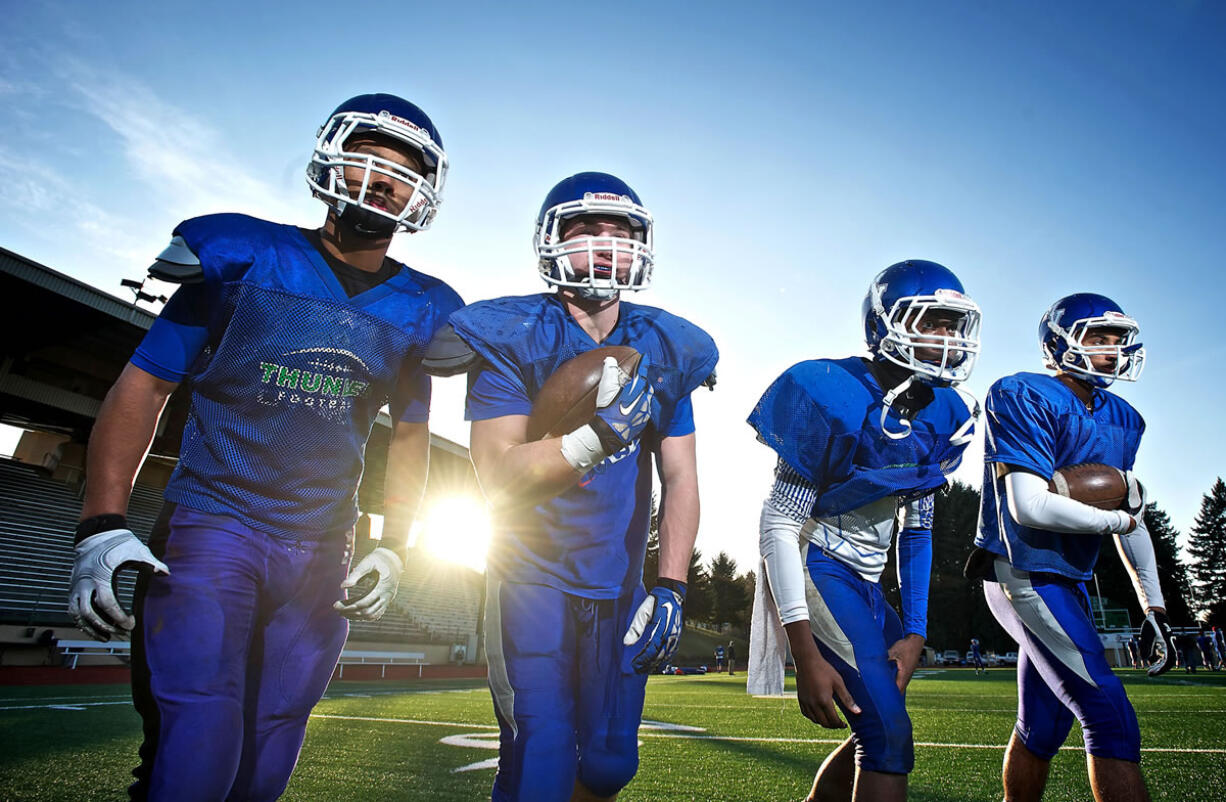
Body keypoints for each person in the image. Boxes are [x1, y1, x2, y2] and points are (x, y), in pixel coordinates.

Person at [65, 93, 462, 801]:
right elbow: (144, 387)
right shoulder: (246, 257)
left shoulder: (426, 308)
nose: (380, 179)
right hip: (214, 525)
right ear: (330, 160)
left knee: (270, 749)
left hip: (322, 547)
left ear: (422, 194)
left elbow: (408, 433)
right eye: (366, 158)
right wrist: (101, 521)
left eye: (400, 170)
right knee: (193, 746)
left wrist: (399, 540)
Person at [433, 172, 718, 801]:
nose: (607, 245)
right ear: (551, 242)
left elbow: (681, 476)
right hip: (529, 578)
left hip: (619, 584)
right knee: (542, 755)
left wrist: (670, 586)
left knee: (610, 763)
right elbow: (498, 474)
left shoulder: (662, 348)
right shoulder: (514, 337)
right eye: (587, 230)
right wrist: (595, 437)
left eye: (622, 233)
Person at [750, 260, 982, 802]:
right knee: (888, 737)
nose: (947, 339)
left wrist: (917, 630)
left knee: (875, 726)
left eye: (954, 325)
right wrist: (803, 652)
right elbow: (779, 524)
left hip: (867, 583)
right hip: (817, 564)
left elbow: (918, 530)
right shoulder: (831, 389)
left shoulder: (945, 412)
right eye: (933, 322)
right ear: (885, 324)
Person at [968, 293, 1177, 802]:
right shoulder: (1021, 393)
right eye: (1096, 338)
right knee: (1109, 714)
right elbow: (1029, 506)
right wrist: (1115, 517)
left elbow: (1131, 520)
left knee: (1042, 727)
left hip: (1070, 578)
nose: (1110, 351)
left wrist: (1154, 605)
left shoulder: (1126, 419)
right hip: (1023, 571)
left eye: (1116, 341)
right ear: (1059, 341)